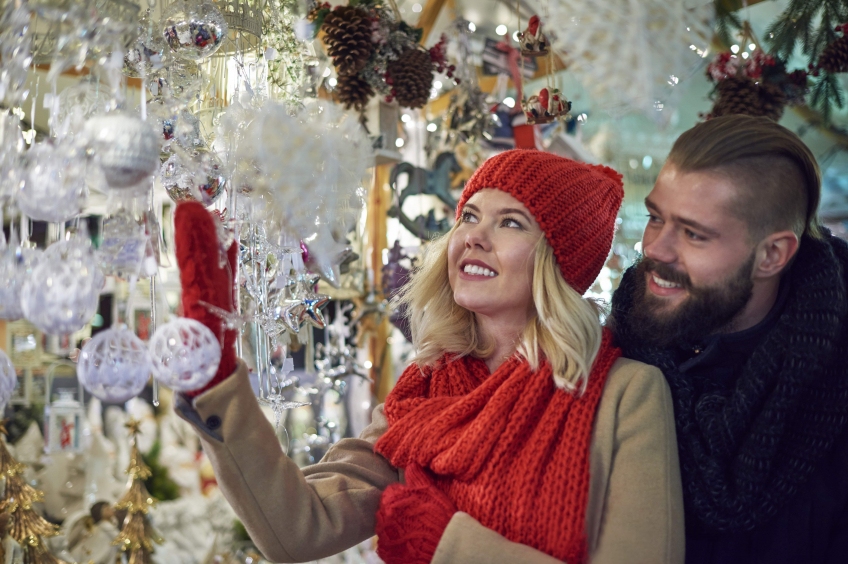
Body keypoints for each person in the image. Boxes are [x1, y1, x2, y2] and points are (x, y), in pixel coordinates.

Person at [172, 150, 684, 563]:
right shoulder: (424, 391)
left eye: (511, 222)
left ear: (559, 259)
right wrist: (217, 381)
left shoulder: (625, 393)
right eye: (469, 216)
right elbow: (298, 529)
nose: (475, 237)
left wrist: (446, 545)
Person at [609, 115, 848, 564]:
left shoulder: (834, 382)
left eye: (694, 234)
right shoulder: (618, 344)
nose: (656, 248)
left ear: (772, 255)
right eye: (655, 218)